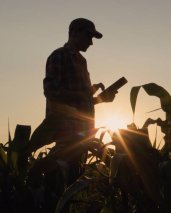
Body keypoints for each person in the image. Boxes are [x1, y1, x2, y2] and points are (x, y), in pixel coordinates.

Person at [28, 18, 116, 202]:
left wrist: (101, 99)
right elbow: (51, 91)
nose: (91, 42)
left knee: (73, 186)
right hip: (66, 130)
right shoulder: (59, 56)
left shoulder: (81, 61)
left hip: (82, 133)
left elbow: (82, 102)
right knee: (57, 180)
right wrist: (85, 95)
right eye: (88, 36)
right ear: (74, 32)